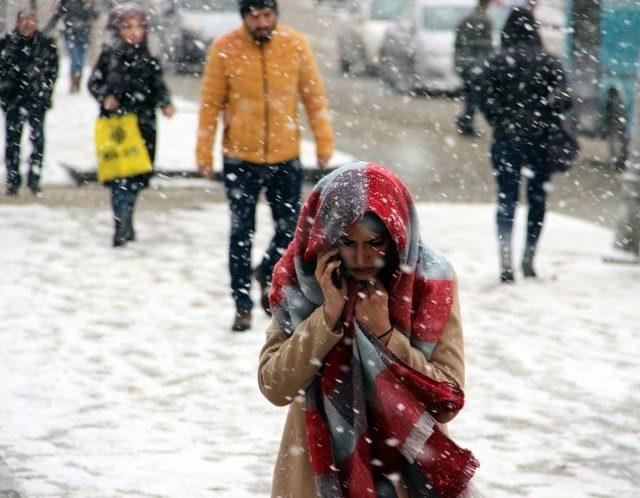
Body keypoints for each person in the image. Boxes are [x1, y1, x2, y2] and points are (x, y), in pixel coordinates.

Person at [259, 162, 478, 497]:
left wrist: (387, 336)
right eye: (347, 242)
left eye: (375, 242)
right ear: (326, 236)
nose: (362, 257)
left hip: (404, 477)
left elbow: (447, 399)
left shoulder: (430, 283)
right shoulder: (301, 280)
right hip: (317, 475)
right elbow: (275, 386)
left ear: (396, 237)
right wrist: (327, 315)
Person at [196, 0, 334, 332]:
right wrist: (204, 151)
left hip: (285, 155)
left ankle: (268, 273)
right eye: (254, 16)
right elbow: (210, 103)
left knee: (291, 230)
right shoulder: (225, 48)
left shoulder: (294, 44)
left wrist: (324, 141)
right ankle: (242, 304)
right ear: (244, 17)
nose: (262, 22)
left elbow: (313, 96)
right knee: (241, 232)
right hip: (239, 158)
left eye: (267, 15)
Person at [474, 8, 572, 283]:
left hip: (506, 140)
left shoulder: (496, 61)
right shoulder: (548, 62)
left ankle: (505, 259)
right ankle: (528, 257)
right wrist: (547, 112)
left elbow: (481, 95)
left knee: (506, 199)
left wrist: (499, 120)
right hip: (540, 141)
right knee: (537, 200)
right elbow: (565, 97)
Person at [88, 3, 175, 247]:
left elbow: (159, 87)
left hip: (144, 124)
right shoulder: (109, 56)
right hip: (116, 126)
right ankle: (121, 224)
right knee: (119, 178)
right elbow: (94, 84)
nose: (134, 32)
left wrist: (166, 103)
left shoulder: (150, 59)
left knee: (137, 178)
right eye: (128, 27)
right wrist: (106, 96)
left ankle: (128, 217)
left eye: (139, 27)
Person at [0, 9, 58, 196]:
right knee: (13, 142)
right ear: (17, 23)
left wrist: (45, 91)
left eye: (32, 20)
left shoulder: (45, 44)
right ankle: (13, 180)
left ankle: (34, 179)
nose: (28, 24)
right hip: (14, 100)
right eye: (24, 20)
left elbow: (52, 71)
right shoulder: (7, 43)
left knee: (38, 140)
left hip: (36, 99)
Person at [453, 0, 493, 137]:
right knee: (474, 96)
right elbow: (486, 45)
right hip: (476, 64)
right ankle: (466, 121)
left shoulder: (465, 19)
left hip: (463, 62)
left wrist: (458, 60)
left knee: (470, 94)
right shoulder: (486, 21)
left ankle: (465, 119)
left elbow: (457, 41)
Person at [45, 0, 98, 93]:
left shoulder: (88, 3)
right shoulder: (67, 2)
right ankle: (74, 82)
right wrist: (47, 30)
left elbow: (94, 16)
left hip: (85, 36)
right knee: (75, 59)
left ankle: (78, 82)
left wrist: (89, 9)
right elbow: (58, 15)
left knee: (81, 60)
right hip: (71, 36)